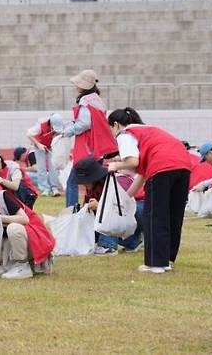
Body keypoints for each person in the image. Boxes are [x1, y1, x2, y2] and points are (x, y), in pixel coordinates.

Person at [107, 107, 191, 274]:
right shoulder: (150, 131)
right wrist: (125, 198)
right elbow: (142, 175)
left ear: (116, 125)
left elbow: (132, 162)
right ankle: (165, 260)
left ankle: (155, 263)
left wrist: (115, 165)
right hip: (183, 165)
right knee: (173, 215)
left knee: (155, 215)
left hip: (162, 168)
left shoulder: (125, 134)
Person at [62, 70, 118, 207]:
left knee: (72, 181)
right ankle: (97, 206)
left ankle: (71, 209)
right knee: (95, 180)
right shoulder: (98, 101)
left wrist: (67, 131)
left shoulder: (85, 100)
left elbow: (84, 124)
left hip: (86, 146)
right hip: (96, 147)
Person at [73, 158, 142, 255]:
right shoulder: (92, 185)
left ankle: (108, 246)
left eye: (85, 180)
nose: (83, 183)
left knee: (108, 214)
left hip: (139, 211)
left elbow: (122, 206)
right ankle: (132, 242)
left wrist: (100, 206)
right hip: (124, 218)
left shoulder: (117, 180)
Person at [26, 113, 65, 197]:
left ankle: (54, 188)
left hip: (52, 146)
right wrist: (38, 144)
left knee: (53, 166)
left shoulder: (61, 126)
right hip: (40, 146)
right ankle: (44, 188)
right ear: (50, 123)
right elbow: (29, 134)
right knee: (41, 167)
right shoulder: (41, 126)